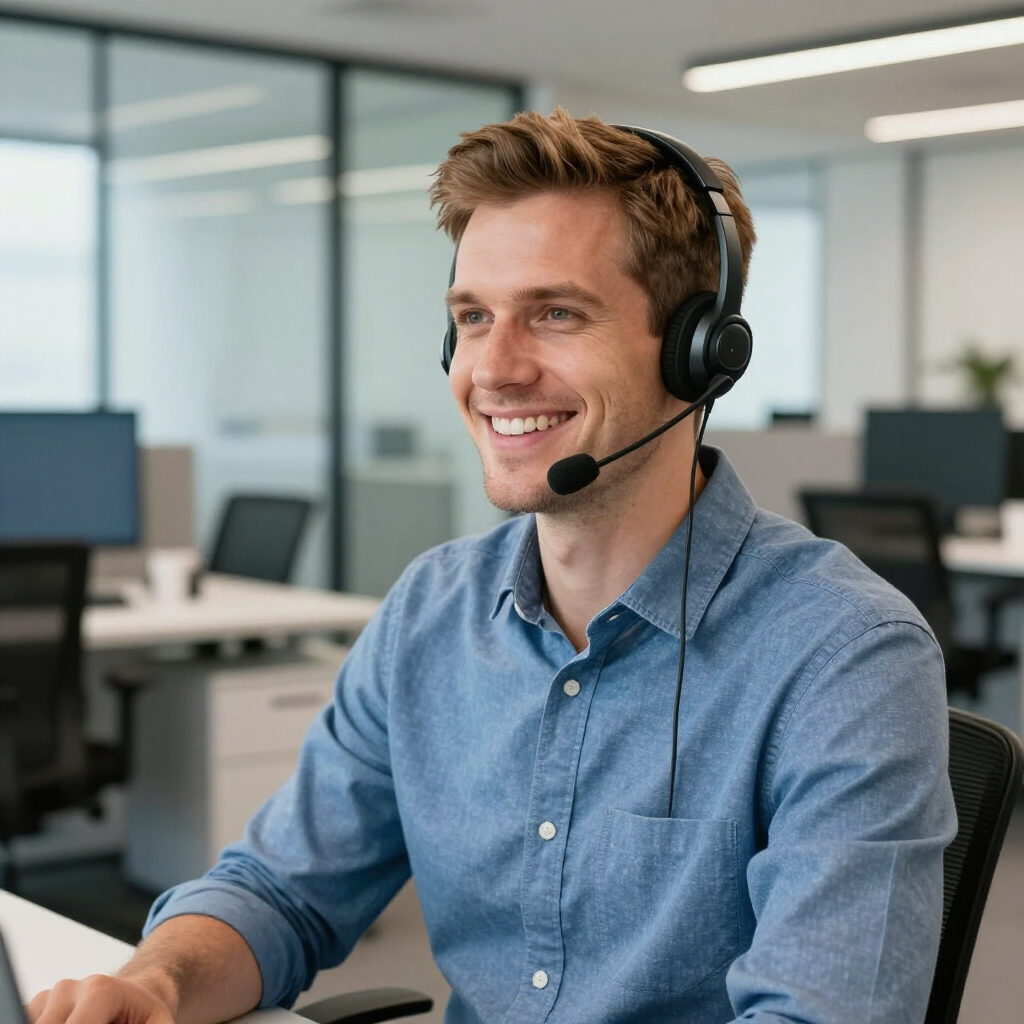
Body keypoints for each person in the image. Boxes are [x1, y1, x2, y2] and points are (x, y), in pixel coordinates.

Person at [29, 109, 955, 1024]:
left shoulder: (843, 655)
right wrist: (155, 986)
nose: (494, 369)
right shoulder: (432, 609)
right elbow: (279, 889)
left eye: (555, 313)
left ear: (699, 352)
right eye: (472, 318)